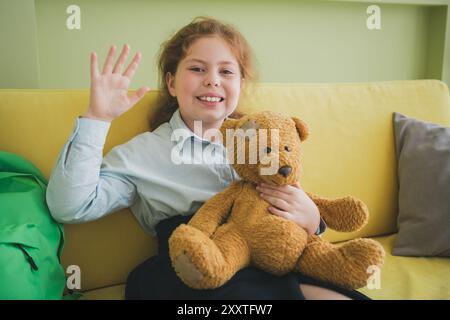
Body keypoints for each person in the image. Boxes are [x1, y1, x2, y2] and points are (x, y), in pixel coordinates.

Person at [46, 16, 369, 300]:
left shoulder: (264, 140)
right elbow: (71, 206)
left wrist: (314, 221)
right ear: (172, 83)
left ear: (241, 85)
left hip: (268, 250)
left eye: (226, 71)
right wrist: (97, 118)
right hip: (193, 261)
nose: (212, 79)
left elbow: (290, 205)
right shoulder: (143, 152)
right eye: (197, 69)